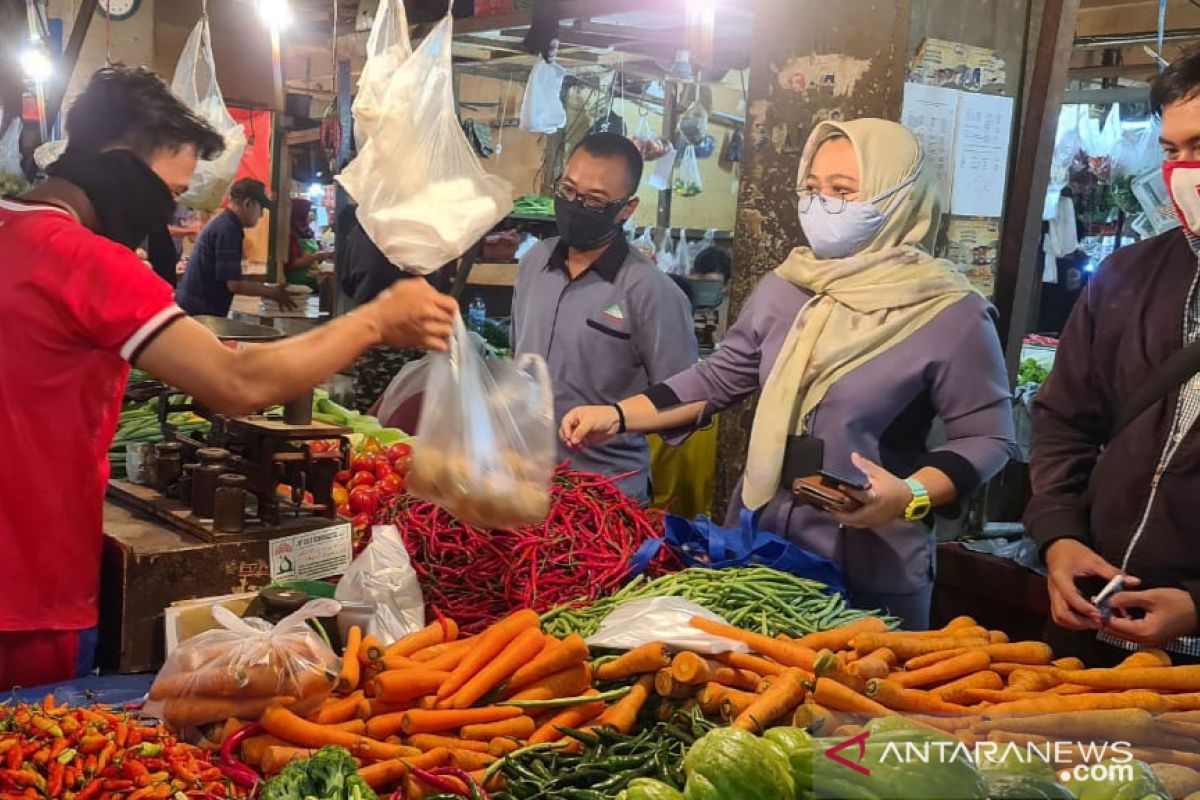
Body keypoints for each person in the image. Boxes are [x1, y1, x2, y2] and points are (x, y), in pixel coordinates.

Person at [0, 65, 459, 690]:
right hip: (27, 597)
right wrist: (375, 321)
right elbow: (233, 383)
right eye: (169, 194)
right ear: (118, 160)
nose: (166, 215)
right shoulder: (86, 261)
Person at [560, 119, 1015, 628]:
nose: (822, 205)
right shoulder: (786, 287)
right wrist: (617, 416)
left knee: (859, 697)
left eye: (843, 191)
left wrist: (910, 497)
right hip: (765, 546)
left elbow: (988, 438)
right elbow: (717, 380)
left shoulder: (949, 313)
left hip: (872, 557)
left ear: (899, 198)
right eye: (813, 189)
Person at [1027, 50, 1200, 664]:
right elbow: (1064, 419)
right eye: (1172, 150)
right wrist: (1058, 537)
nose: (1183, 170)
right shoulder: (1127, 275)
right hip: (1092, 628)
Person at [512, 132, 697, 501]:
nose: (575, 205)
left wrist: (615, 416)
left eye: (594, 201)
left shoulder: (650, 292)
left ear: (626, 209)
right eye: (567, 192)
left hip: (605, 498)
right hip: (525, 485)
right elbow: (518, 360)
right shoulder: (533, 263)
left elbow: (687, 402)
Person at [175, 177, 300, 316]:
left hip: (197, 309)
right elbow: (234, 285)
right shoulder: (228, 229)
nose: (261, 215)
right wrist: (272, 292)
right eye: (261, 208)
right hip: (199, 313)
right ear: (248, 204)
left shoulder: (226, 224)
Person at [284, 197, 332, 290]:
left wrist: (322, 256)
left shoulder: (307, 231)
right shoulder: (290, 235)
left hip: (311, 280)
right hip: (297, 285)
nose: (310, 215)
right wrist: (315, 257)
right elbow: (292, 263)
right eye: (307, 212)